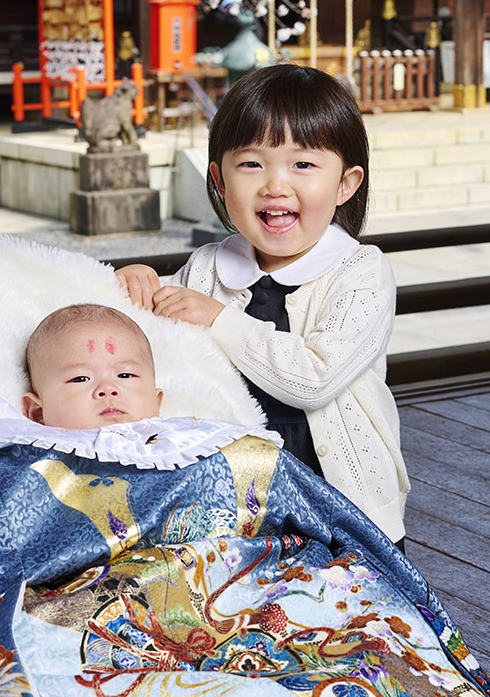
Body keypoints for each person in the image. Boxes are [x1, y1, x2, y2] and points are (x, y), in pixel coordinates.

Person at [116, 64, 410, 548]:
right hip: (236, 503)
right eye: (251, 164)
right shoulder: (207, 268)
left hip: (344, 505)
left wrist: (219, 319)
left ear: (346, 183)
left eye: (303, 165)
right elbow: (157, 346)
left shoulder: (360, 272)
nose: (275, 185)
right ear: (219, 179)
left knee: (351, 595)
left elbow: (315, 379)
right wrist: (136, 287)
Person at [21, 303, 163, 429]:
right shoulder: (34, 447)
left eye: (125, 375)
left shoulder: (172, 437)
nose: (107, 388)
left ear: (156, 401)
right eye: (80, 378)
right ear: (39, 413)